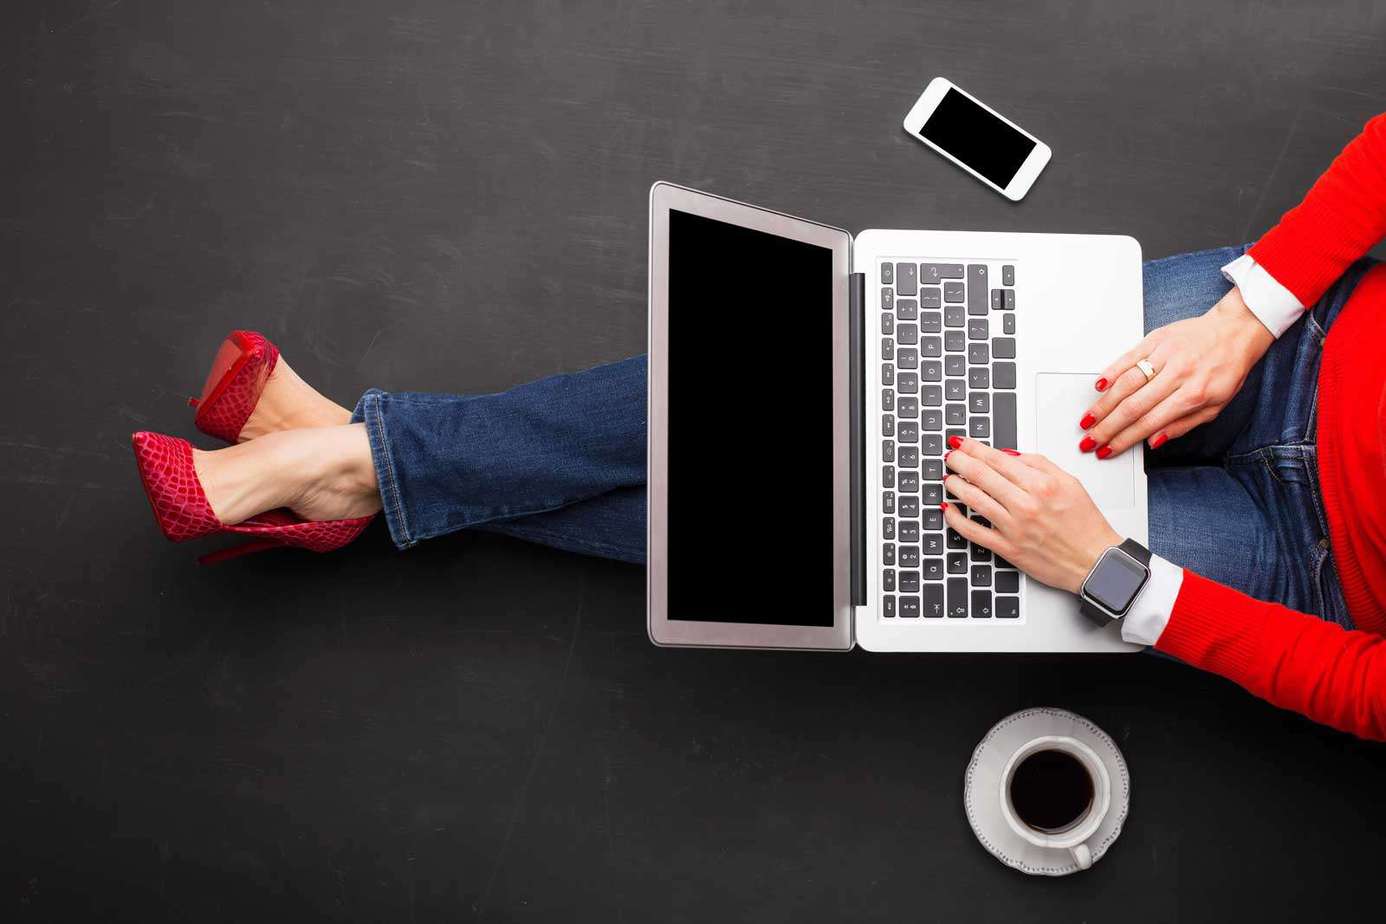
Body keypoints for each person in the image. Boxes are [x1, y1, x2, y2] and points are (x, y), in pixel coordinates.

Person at [132, 113, 1386, 740]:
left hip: (1304, 569)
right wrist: (1253, 313)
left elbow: (1365, 690)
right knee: (836, 375)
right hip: (1300, 344)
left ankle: (356, 461)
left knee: (882, 547)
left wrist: (1111, 579)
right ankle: (362, 473)